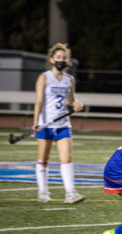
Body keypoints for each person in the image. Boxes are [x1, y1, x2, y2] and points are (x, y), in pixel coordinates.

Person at [32, 43, 85, 204]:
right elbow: (39, 101)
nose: (61, 60)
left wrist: (76, 104)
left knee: (66, 159)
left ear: (68, 60)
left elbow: (71, 100)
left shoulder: (70, 80)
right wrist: (35, 123)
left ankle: (70, 193)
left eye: (64, 57)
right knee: (43, 158)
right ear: (52, 59)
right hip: (45, 124)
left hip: (63, 124)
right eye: (58, 57)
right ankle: (43, 192)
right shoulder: (44, 77)